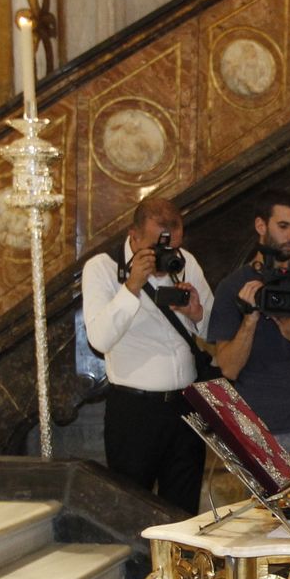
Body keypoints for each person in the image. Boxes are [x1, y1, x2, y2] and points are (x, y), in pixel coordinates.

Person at [81, 196, 212, 514]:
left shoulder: (186, 263)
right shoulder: (102, 268)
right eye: (157, 248)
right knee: (132, 509)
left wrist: (196, 314)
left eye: (173, 246)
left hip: (185, 408)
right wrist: (132, 287)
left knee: (183, 512)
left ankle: (183, 564)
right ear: (134, 236)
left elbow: (213, 328)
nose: (166, 255)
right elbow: (99, 339)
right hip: (134, 412)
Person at [208, 187, 290, 453]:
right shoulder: (231, 287)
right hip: (257, 426)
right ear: (260, 225)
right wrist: (250, 319)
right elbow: (228, 368)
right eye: (283, 226)